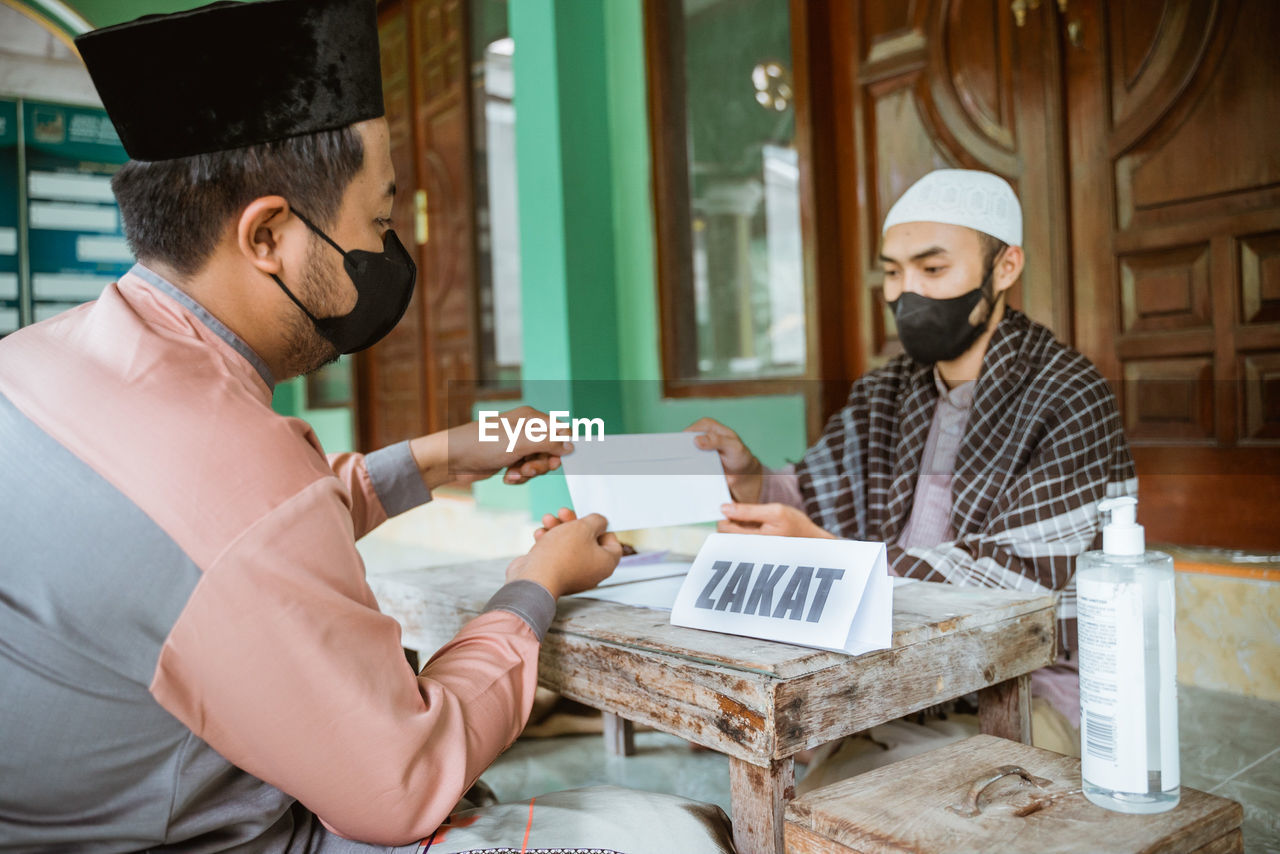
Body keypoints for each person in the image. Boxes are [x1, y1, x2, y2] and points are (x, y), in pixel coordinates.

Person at [0, 1, 733, 851]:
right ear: (269, 234)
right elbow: (402, 780)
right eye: (379, 221)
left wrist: (451, 453)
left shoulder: (36, 360)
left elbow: (222, 545)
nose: (390, 252)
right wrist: (536, 584)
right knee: (689, 834)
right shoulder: (235, 489)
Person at [689, 169, 1137, 782]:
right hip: (896, 675)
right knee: (796, 796)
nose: (907, 293)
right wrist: (750, 478)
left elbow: (1018, 582)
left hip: (1023, 690)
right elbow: (811, 497)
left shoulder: (1067, 395)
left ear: (1004, 268)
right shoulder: (885, 391)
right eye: (893, 272)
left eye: (933, 269)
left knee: (852, 808)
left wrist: (832, 555)